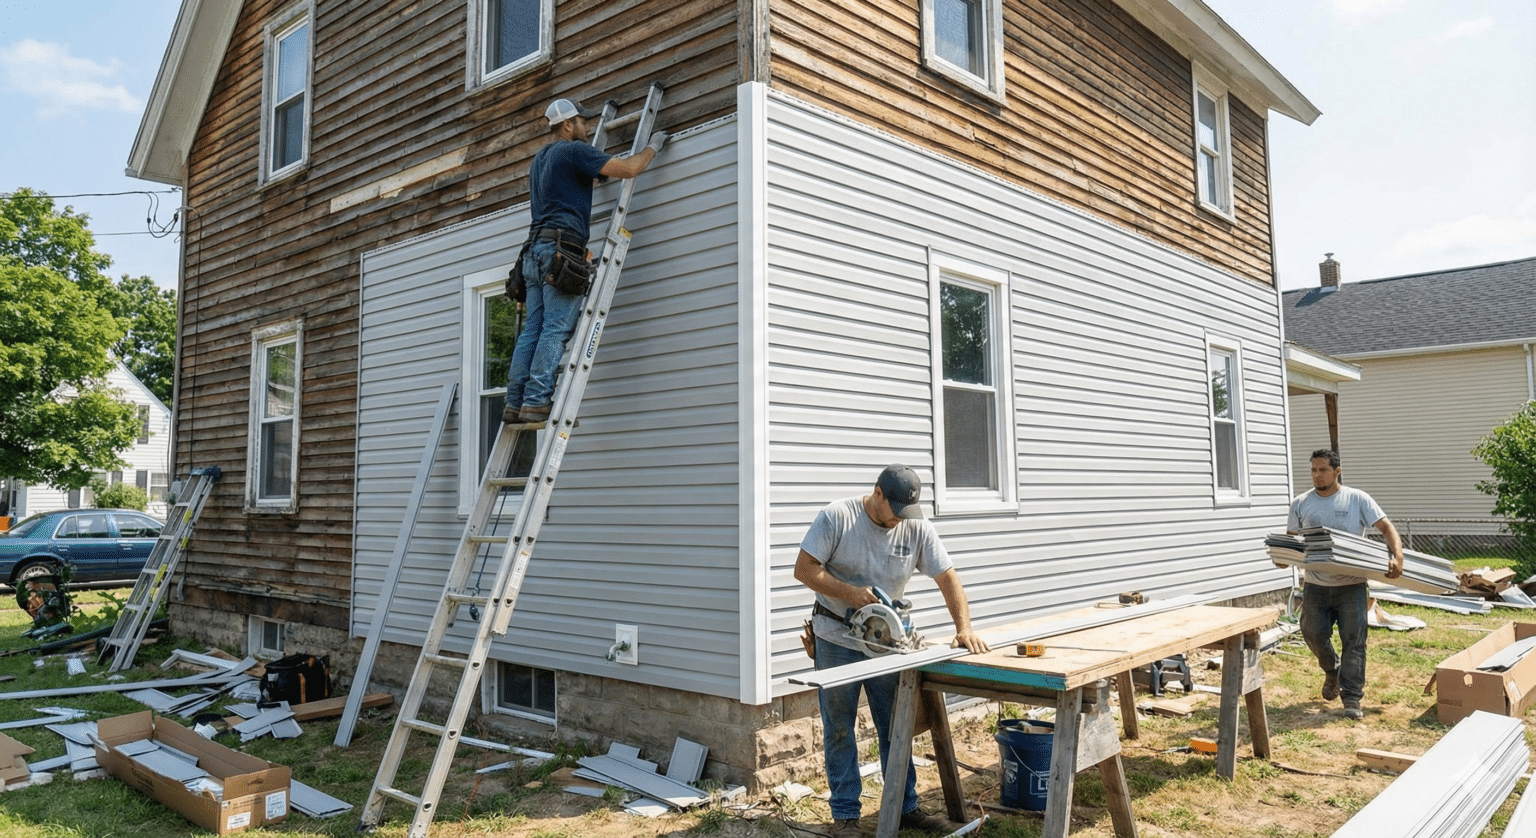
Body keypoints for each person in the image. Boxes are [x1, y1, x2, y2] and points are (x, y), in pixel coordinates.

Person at [794, 464, 990, 838]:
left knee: (896, 726)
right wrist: (851, 594)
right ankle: (846, 816)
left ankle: (904, 807)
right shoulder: (838, 517)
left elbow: (947, 577)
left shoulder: (913, 524)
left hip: (885, 643)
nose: (899, 519)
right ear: (877, 493)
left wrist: (963, 627)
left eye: (906, 511)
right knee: (840, 729)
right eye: (894, 509)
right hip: (835, 637)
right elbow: (803, 569)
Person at [503, 97, 668, 424]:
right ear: (567, 125)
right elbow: (630, 169)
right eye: (582, 121)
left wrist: (597, 173)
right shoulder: (575, 151)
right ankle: (536, 401)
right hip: (559, 250)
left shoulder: (540, 159)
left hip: (533, 253)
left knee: (532, 331)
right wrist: (654, 146)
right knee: (553, 329)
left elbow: (578, 182)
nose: (588, 126)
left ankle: (515, 402)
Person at [1285, 448, 1403, 720]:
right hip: (1315, 584)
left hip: (1352, 585)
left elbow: (1386, 527)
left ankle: (1351, 699)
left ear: (1337, 471)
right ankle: (1331, 670)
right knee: (1312, 633)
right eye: (1313, 470)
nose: (1317, 475)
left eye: (1323, 470)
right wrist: (1284, 558)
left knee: (1354, 641)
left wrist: (1398, 556)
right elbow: (1290, 541)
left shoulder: (1357, 499)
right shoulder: (1300, 503)